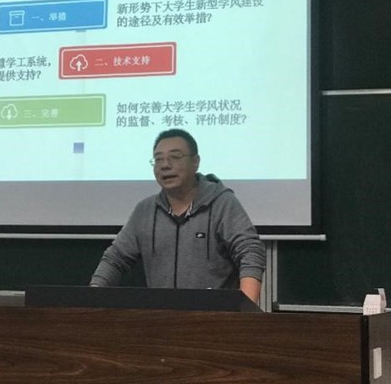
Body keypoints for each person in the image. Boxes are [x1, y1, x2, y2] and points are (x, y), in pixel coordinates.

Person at [90, 128, 266, 304]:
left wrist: (245, 309)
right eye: (158, 159)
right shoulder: (145, 211)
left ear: (195, 162)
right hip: (162, 315)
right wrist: (92, 297)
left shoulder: (222, 203)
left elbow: (250, 252)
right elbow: (115, 259)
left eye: (174, 157)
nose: (165, 165)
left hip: (215, 315)